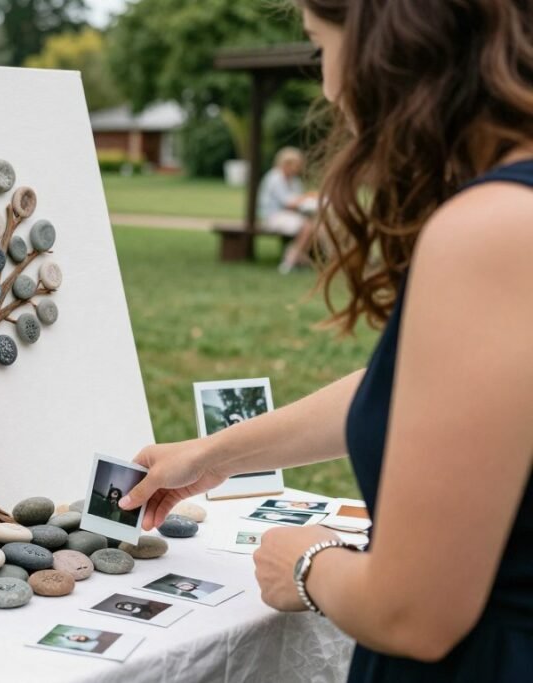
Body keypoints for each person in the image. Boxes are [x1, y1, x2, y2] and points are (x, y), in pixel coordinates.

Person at [120, 1, 533, 680]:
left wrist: (307, 563)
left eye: (319, 46)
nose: (328, 87)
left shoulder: (492, 230)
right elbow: (424, 390)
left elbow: (415, 611)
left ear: (389, 44)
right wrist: (216, 451)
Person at [257, 147, 319, 273]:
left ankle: (298, 257)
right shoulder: (274, 178)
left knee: (316, 225)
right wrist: (308, 196)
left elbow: (299, 201)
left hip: (290, 216)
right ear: (286, 164)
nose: (298, 169)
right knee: (307, 227)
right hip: (273, 216)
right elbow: (289, 203)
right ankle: (290, 261)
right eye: (296, 165)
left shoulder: (294, 181)